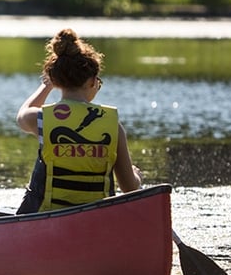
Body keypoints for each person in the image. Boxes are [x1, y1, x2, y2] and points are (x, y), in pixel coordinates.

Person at [15, 28, 142, 214]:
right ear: (92, 81)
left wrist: (46, 86)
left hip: (45, 217)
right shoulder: (113, 126)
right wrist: (136, 176)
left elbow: (22, 115)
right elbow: (130, 188)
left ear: (56, 80)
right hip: (96, 219)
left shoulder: (42, 119)